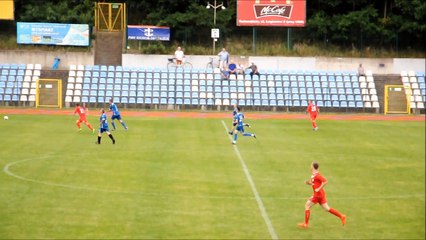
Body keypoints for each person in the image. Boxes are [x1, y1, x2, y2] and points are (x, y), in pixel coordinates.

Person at [298, 162, 346, 228]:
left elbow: (325, 181)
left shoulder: (317, 175)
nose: (310, 166)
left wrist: (318, 188)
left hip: (318, 195)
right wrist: (308, 183)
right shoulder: (313, 175)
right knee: (327, 208)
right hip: (320, 194)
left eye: (311, 165)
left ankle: (306, 224)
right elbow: (314, 184)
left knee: (307, 206)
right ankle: (342, 216)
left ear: (313, 167)